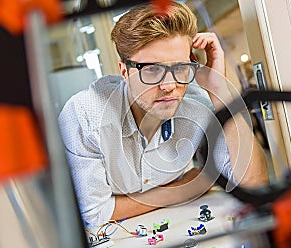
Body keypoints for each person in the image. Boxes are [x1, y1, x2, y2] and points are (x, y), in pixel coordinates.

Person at [58, 2, 268, 228]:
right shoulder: (85, 116)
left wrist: (220, 90)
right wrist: (183, 188)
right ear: (124, 71)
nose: (170, 85)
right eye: (152, 69)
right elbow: (94, 212)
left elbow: (254, 184)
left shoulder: (195, 103)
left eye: (180, 68)